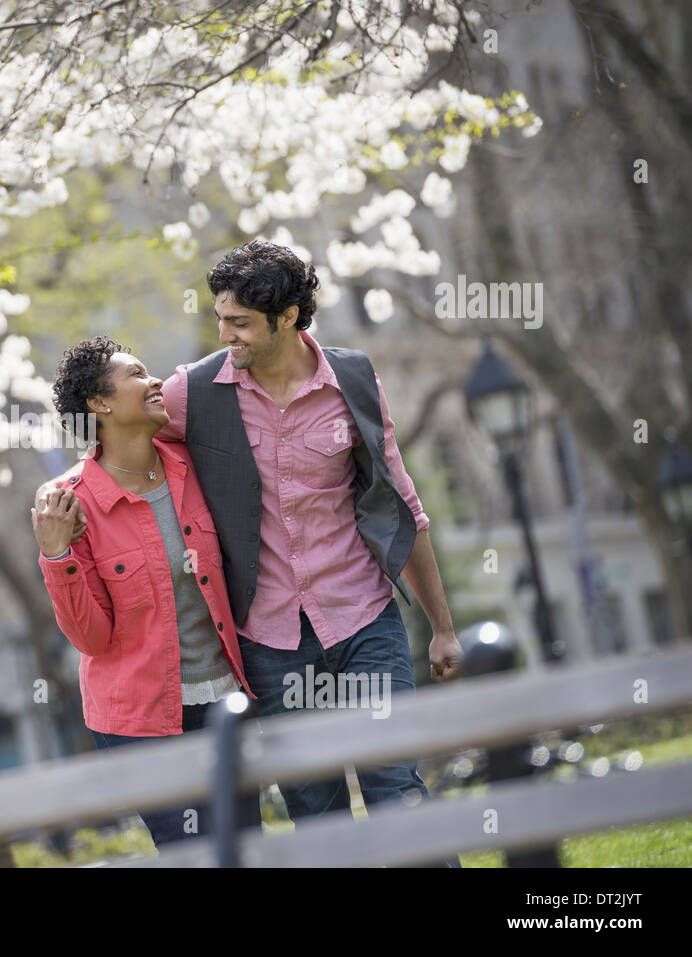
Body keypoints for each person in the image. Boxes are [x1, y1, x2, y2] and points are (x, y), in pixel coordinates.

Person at [38, 241, 464, 865]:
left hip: (363, 616)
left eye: (238, 322)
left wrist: (443, 627)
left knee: (397, 788)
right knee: (315, 809)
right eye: (220, 318)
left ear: (288, 317)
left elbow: (402, 503)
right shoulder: (196, 393)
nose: (224, 333)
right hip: (268, 643)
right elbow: (120, 449)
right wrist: (63, 501)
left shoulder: (351, 379)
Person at [30, 336, 260, 849]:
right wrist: (56, 556)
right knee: (190, 852)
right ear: (99, 403)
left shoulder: (193, 463)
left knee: (246, 847)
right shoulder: (71, 504)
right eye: (136, 374)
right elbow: (92, 638)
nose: (155, 380)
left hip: (225, 698)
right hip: (140, 718)